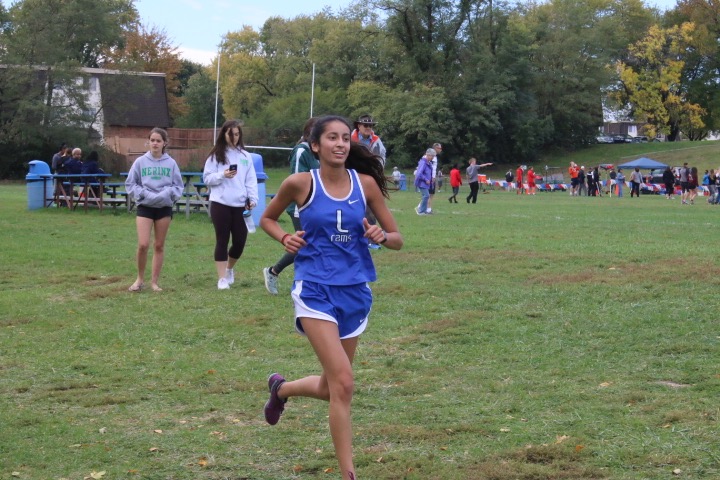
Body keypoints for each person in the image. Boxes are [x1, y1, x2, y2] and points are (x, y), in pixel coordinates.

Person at [259, 115, 403, 480]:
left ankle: (282, 389)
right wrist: (283, 238)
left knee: (331, 386)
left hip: (355, 292)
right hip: (315, 289)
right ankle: (348, 473)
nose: (340, 144)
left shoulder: (365, 184)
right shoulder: (299, 183)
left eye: (344, 138)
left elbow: (398, 237)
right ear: (316, 146)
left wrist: (381, 236)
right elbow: (268, 219)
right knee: (345, 383)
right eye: (332, 138)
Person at [262, 117, 319, 295]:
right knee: (305, 244)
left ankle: (307, 280)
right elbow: (296, 181)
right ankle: (274, 271)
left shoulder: (319, 153)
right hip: (299, 207)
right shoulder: (302, 151)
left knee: (312, 244)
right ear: (310, 134)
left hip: (315, 206)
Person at [125, 128, 184, 292]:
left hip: (163, 208)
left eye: (158, 140)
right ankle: (139, 279)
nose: (155, 143)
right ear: (148, 142)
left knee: (159, 245)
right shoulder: (140, 162)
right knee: (143, 244)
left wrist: (168, 195)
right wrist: (142, 194)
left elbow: (178, 186)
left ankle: (154, 282)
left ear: (165, 143)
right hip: (145, 206)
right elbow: (130, 184)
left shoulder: (171, 163)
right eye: (152, 140)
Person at [203, 120, 259, 290]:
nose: (234, 137)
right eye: (231, 134)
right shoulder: (215, 156)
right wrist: (222, 175)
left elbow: (251, 180)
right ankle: (221, 279)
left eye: (237, 134)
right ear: (224, 134)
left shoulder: (245, 156)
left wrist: (253, 198)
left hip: (240, 204)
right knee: (222, 239)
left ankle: (229, 269)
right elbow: (207, 178)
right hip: (220, 203)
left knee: (240, 242)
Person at [414, 148, 434, 214]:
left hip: (426, 183)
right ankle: (421, 211)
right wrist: (425, 179)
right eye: (432, 156)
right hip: (422, 183)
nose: (433, 157)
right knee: (426, 195)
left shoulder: (428, 163)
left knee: (425, 196)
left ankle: (423, 210)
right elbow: (419, 173)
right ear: (428, 155)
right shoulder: (423, 162)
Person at [425, 142, 442, 213]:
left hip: (432, 177)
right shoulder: (430, 156)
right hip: (429, 178)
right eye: (439, 148)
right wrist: (431, 176)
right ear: (435, 148)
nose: (441, 150)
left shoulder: (435, 157)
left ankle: (428, 209)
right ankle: (424, 208)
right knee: (428, 194)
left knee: (431, 193)